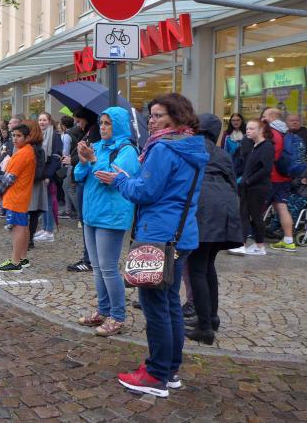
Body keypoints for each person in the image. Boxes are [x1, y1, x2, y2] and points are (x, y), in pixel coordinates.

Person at [97, 93, 208, 398]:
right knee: (169, 304)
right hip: (181, 234)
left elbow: (145, 191)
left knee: (155, 306)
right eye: (151, 115)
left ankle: (156, 374)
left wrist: (119, 180)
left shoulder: (162, 147)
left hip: (158, 235)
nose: (152, 121)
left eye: (159, 115)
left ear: (176, 117)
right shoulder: (191, 145)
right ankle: (169, 370)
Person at [74, 107, 140, 337]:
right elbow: (78, 176)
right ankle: (103, 311)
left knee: (108, 268)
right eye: (101, 123)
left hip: (111, 216)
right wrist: (83, 161)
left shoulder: (127, 150)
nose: (102, 127)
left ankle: (118, 316)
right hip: (92, 214)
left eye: (108, 123)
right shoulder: (98, 146)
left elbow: (108, 178)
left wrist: (92, 160)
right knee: (97, 267)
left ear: (118, 125)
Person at [185, 114, 245, 345]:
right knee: (208, 265)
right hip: (225, 210)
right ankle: (211, 317)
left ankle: (205, 327)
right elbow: (232, 181)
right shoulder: (222, 153)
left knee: (197, 268)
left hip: (204, 209)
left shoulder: (191, 148)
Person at [228, 119, 274, 257]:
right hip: (249, 186)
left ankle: (244, 245)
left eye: (252, 128)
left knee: (251, 215)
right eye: (247, 128)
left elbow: (265, 169)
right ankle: (257, 246)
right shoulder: (255, 146)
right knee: (248, 215)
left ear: (261, 131)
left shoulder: (266, 146)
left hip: (257, 187)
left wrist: (248, 181)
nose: (248, 131)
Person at [0, 122, 36, 272]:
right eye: (13, 135)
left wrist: (0, 191)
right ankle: (22, 258)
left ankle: (15, 262)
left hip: (16, 196)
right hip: (21, 195)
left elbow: (10, 177)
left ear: (27, 137)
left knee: (17, 228)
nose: (15, 138)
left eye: (18, 136)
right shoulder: (27, 150)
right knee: (23, 227)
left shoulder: (23, 153)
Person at [66, 107, 100, 273]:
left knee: (87, 220)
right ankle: (89, 257)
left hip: (88, 182)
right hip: (83, 178)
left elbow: (87, 157)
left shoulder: (94, 132)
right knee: (86, 221)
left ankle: (89, 259)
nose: (77, 124)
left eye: (79, 121)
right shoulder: (88, 131)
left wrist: (72, 160)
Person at [262, 108, 296, 251]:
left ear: (271, 116)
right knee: (282, 208)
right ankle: (288, 241)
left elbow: (267, 156)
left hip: (271, 177)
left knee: (255, 208)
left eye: (264, 116)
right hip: (285, 177)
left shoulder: (271, 133)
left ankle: (249, 242)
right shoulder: (286, 132)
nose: (262, 118)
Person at [34, 113, 62, 242]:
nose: (41, 122)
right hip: (41, 173)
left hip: (49, 173)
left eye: (44, 120)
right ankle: (44, 227)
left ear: (50, 121)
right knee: (43, 202)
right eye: (40, 120)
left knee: (49, 202)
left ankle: (49, 231)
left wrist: (48, 175)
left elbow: (56, 157)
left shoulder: (55, 135)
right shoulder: (40, 135)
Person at [26, 120, 47, 251]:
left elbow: (39, 171)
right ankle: (28, 239)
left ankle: (28, 239)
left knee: (31, 213)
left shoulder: (36, 150)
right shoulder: (36, 148)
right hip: (32, 185)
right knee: (32, 213)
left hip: (32, 185)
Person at [59, 116, 77, 219]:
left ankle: (78, 212)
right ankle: (68, 210)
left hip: (69, 164)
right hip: (72, 164)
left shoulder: (66, 135)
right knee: (66, 187)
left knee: (69, 188)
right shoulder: (73, 133)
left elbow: (65, 152)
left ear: (63, 125)